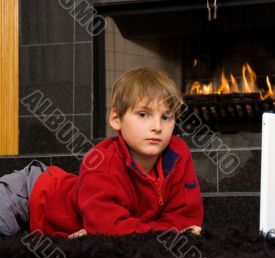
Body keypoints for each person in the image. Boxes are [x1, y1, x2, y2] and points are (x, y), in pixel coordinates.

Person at [0, 68, 204, 237]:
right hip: (29, 194)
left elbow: (187, 218)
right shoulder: (102, 162)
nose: (157, 126)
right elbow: (109, 229)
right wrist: (166, 232)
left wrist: (163, 232)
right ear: (116, 119)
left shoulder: (178, 154)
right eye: (143, 114)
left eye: (166, 117)